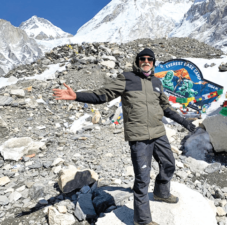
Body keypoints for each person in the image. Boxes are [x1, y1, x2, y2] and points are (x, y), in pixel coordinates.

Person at [53, 48, 196, 225]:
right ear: (137, 61)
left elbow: (166, 108)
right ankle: (142, 221)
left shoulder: (157, 82)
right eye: (142, 58)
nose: (146, 61)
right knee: (142, 179)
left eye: (149, 59)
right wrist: (76, 96)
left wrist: (186, 123)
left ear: (153, 62)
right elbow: (102, 95)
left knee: (169, 164)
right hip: (139, 137)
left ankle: (161, 192)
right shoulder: (127, 78)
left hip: (159, 134)